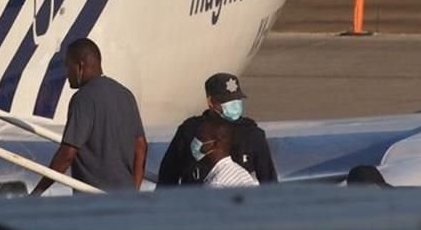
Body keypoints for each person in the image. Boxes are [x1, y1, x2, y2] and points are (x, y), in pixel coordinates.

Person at [32, 38, 147, 195]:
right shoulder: (126, 95)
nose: (67, 75)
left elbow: (67, 154)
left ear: (80, 66)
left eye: (68, 66)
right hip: (126, 202)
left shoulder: (83, 99)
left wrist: (38, 191)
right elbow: (140, 147)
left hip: (93, 204)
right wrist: (134, 190)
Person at [157, 72, 276, 187]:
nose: (234, 105)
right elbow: (168, 175)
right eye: (226, 101)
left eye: (237, 100)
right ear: (210, 102)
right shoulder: (190, 131)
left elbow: (269, 181)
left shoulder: (252, 134)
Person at [194, 120, 258, 188]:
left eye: (201, 139)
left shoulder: (217, 184)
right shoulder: (240, 172)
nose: (195, 142)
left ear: (215, 144)